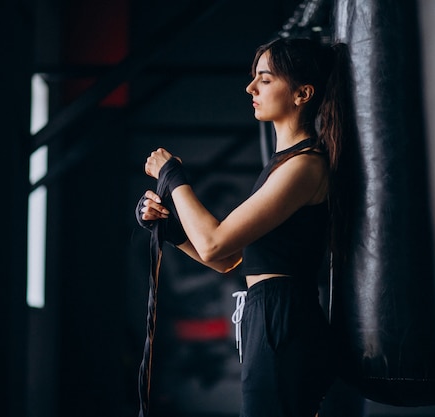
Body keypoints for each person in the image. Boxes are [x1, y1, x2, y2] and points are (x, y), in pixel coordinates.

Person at [136, 36, 354, 417]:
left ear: (302, 94)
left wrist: (172, 176)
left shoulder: (305, 166)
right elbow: (227, 260)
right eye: (254, 78)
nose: (251, 87)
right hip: (268, 312)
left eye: (265, 80)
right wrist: (170, 230)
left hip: (282, 314)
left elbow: (214, 244)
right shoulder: (283, 166)